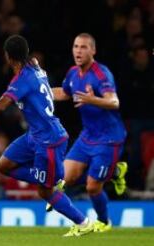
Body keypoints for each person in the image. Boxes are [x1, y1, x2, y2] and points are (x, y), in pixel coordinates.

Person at [0, 35, 93, 237]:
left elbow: (2, 105)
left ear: (8, 57)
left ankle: (83, 222)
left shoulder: (22, 80)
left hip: (49, 140)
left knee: (44, 192)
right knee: (3, 165)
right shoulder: (34, 66)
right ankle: (52, 179)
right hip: (34, 136)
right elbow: (41, 89)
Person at [49, 33, 127, 232]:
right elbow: (65, 93)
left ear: (93, 50)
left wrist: (93, 100)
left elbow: (114, 101)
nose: (78, 51)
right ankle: (115, 171)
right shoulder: (73, 73)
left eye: (84, 47)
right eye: (76, 46)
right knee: (63, 177)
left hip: (109, 138)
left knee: (93, 187)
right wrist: (39, 92)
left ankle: (104, 221)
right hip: (88, 135)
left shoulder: (101, 74)